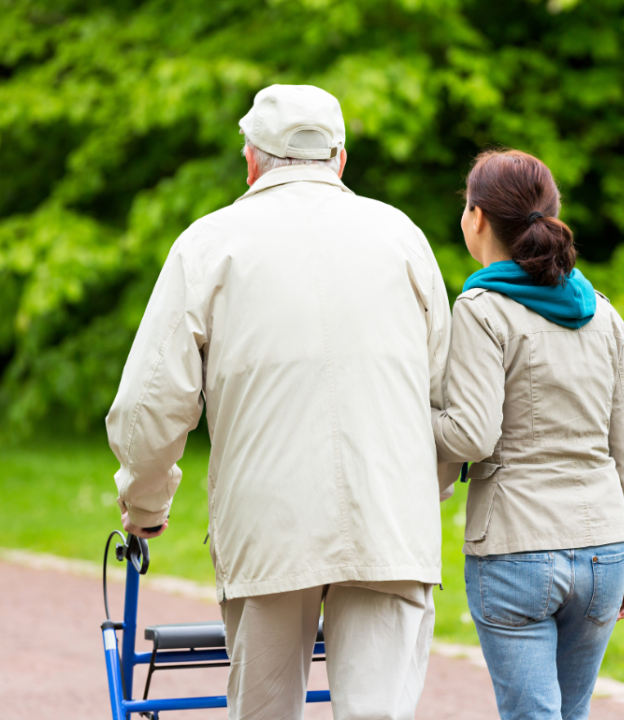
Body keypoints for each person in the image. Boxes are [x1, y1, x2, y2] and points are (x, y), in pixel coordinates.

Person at [107, 84, 457, 720]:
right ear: (340, 159)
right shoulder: (403, 237)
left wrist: (145, 503)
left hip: (269, 525)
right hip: (390, 519)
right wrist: (424, 490)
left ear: (251, 160)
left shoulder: (208, 244)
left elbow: (148, 404)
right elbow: (446, 393)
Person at [432, 149, 624, 720]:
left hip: (515, 547)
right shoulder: (603, 313)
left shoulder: (482, 309)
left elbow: (471, 436)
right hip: (605, 547)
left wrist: (406, 413)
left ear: (476, 217)